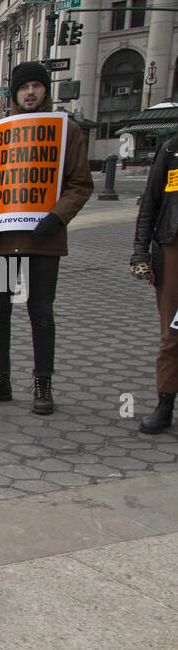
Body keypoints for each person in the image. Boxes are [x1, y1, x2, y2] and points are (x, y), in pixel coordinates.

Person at [0, 62, 93, 415]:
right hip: (2, 241)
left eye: (37, 86)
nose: (31, 92)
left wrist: (57, 217)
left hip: (43, 240)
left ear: (46, 90)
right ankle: (0, 380)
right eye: (24, 87)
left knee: (40, 312)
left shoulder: (67, 132)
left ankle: (42, 383)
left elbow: (80, 184)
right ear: (15, 93)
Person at [129, 130, 178, 434]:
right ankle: (165, 404)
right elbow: (150, 203)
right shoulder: (171, 150)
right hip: (172, 248)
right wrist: (140, 252)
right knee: (173, 331)